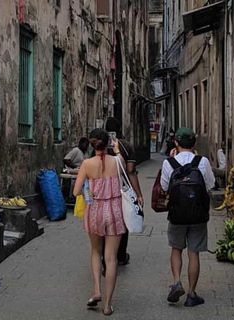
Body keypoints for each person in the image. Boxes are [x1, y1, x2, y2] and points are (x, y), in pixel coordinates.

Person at [73, 129, 126, 316]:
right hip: (114, 211)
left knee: (96, 251)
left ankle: (96, 290)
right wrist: (118, 150)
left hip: (94, 210)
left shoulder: (87, 164)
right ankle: (107, 305)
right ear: (108, 143)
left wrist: (90, 191)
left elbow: (76, 192)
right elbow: (126, 172)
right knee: (111, 258)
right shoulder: (117, 162)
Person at [160, 127, 215, 307]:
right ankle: (191, 294)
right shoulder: (203, 161)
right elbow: (210, 185)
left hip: (176, 214)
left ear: (176, 142)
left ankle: (176, 282)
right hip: (198, 214)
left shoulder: (169, 163)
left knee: (176, 248)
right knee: (194, 252)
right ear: (194, 144)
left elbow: (165, 187)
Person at [103, 117, 143, 267]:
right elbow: (131, 171)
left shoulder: (99, 144)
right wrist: (138, 194)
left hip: (101, 190)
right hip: (121, 189)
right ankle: (120, 255)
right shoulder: (126, 146)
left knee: (102, 222)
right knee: (122, 220)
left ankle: (104, 256)